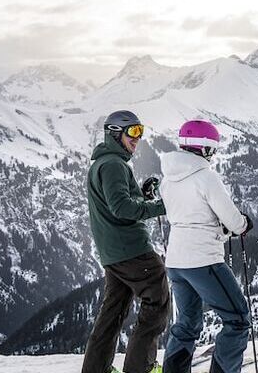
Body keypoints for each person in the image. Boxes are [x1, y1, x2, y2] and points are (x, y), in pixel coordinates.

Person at [159, 119, 254, 373]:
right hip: (203, 260)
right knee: (238, 319)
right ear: (205, 148)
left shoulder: (167, 179)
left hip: (176, 261)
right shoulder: (206, 177)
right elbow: (233, 221)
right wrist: (243, 224)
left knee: (187, 324)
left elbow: (188, 217)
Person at [82, 110, 169, 373]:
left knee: (112, 312)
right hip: (132, 250)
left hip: (113, 253)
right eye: (132, 132)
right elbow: (121, 208)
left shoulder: (103, 163)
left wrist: (142, 196)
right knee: (157, 301)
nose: (137, 138)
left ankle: (96, 369)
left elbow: (118, 203)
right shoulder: (113, 165)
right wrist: (162, 206)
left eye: (140, 132)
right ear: (114, 133)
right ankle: (141, 368)